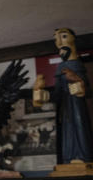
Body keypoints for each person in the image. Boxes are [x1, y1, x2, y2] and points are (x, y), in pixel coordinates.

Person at [34, 27, 93, 163]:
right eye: (56, 39)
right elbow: (57, 94)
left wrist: (78, 82)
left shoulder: (77, 64)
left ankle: (82, 157)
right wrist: (41, 93)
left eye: (64, 37)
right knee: (68, 131)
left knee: (80, 127)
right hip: (66, 106)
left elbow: (86, 89)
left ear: (73, 39)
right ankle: (70, 157)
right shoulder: (61, 67)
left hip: (78, 104)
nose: (59, 43)